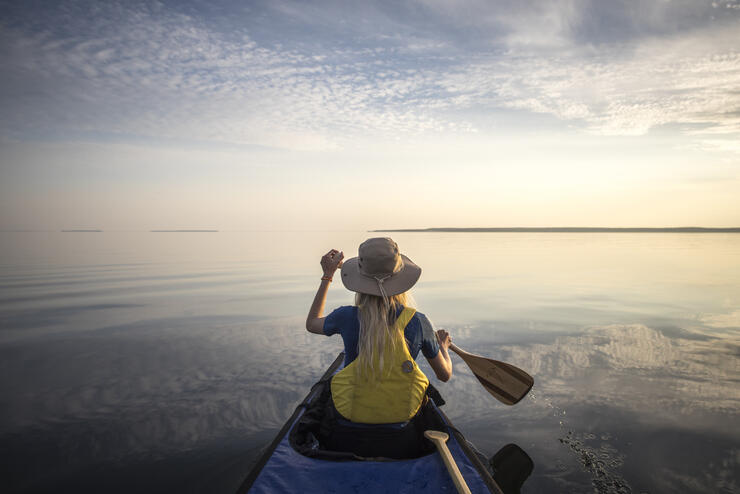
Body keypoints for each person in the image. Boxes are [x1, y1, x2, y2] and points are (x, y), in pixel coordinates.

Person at [304, 238, 453, 457]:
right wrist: (444, 348)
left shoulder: (346, 316)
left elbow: (312, 323)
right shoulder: (419, 321)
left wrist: (327, 276)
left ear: (359, 279)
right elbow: (444, 374)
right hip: (402, 431)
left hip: (346, 427)